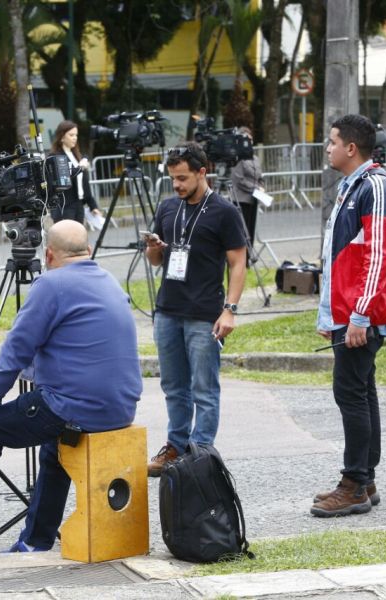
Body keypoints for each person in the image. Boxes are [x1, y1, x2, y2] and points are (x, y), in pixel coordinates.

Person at [0, 220, 142, 560]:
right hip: (120, 408)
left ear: (49, 255)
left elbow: (16, 350)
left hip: (73, 407)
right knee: (54, 448)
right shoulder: (109, 281)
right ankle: (36, 541)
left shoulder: (50, 285)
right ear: (90, 251)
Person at [312, 114, 386, 518]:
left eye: (332, 141)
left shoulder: (377, 187)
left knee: (350, 392)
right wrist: (329, 312)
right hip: (347, 311)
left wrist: (359, 316)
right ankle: (364, 480)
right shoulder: (351, 187)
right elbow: (340, 259)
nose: (328, 148)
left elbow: (380, 257)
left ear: (351, 148)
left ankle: (353, 483)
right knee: (361, 391)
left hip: (360, 314)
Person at [143, 141, 247, 477]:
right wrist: (154, 248)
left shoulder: (224, 211)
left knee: (204, 388)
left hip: (205, 314)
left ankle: (200, 453)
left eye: (183, 178)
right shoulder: (167, 208)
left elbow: (238, 262)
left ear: (203, 172)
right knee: (174, 386)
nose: (177, 185)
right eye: (173, 178)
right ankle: (176, 445)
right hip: (168, 310)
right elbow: (157, 260)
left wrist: (229, 309)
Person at [49, 120, 102, 224]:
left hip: (78, 204)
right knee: (67, 238)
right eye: (71, 135)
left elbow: (83, 182)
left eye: (76, 135)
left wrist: (93, 206)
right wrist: (79, 168)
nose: (74, 138)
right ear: (62, 136)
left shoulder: (76, 154)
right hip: (64, 206)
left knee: (79, 238)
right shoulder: (55, 156)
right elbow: (63, 177)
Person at [229, 126, 264, 252]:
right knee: (242, 231)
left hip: (253, 198)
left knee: (251, 229)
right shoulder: (238, 157)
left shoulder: (255, 158)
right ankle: (241, 256)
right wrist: (256, 187)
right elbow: (239, 179)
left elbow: (259, 175)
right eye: (246, 139)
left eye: (251, 139)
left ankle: (249, 256)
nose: (249, 142)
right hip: (241, 199)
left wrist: (261, 186)